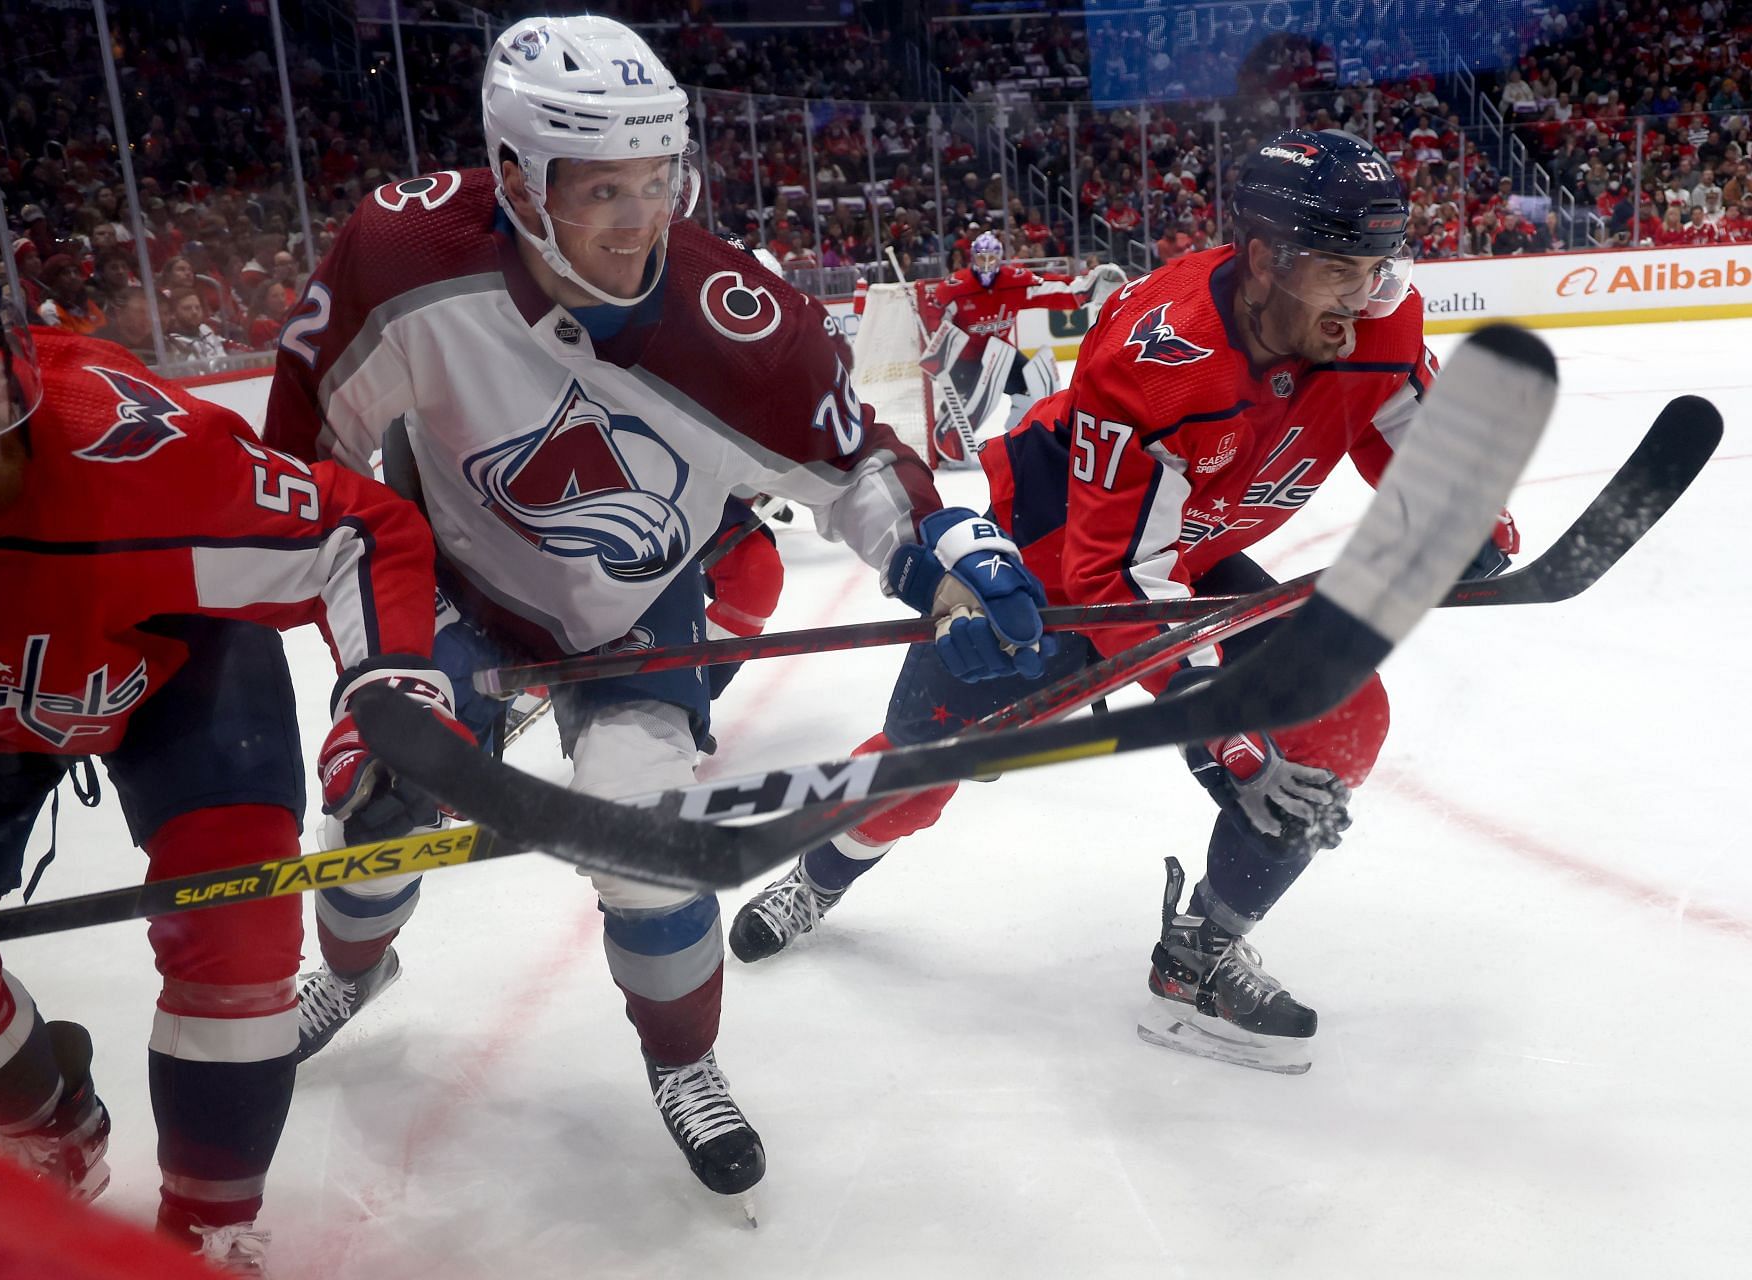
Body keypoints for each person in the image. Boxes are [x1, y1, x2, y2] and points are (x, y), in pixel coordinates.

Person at [263, 15, 1051, 1208]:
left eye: (656, 182)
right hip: (447, 589)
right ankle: (354, 965)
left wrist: (949, 562)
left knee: (648, 854)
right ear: (519, 179)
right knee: (375, 811)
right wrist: (380, 651)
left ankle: (683, 1059)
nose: (639, 222)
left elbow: (858, 469)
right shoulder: (401, 255)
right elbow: (301, 469)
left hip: (636, 617)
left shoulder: (745, 322)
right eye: (601, 190)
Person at [727, 130, 1518, 1075]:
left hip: (1190, 556)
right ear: (1266, 260)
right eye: (1344, 270)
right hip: (1053, 570)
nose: (1368, 298)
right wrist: (1223, 732)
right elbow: (1110, 580)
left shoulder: (1378, 317)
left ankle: (1201, 955)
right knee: (923, 762)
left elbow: (1399, 416)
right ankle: (821, 873)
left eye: (1380, 268)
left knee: (1341, 716)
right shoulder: (1158, 357)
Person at [0, 173, 450, 1273]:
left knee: (242, 948)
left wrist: (391, 700)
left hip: (175, 677)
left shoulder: (127, 448)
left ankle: (210, 1223)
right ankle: (55, 1125)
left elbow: (361, 532)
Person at [917, 230, 1123, 451]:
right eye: (981, 257)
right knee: (962, 404)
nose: (986, 263)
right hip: (965, 360)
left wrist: (1086, 289)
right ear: (972, 257)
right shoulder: (957, 287)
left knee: (1031, 385)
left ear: (1000, 257)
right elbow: (934, 315)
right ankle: (947, 438)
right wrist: (936, 345)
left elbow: (1051, 288)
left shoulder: (1013, 281)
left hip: (999, 354)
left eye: (992, 257)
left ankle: (1019, 438)